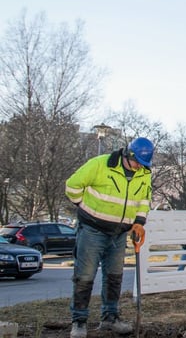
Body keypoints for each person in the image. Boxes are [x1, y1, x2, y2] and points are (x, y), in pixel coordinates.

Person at [65, 137, 155, 338]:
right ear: (128, 155)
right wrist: (85, 208)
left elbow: (144, 199)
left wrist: (139, 222)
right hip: (92, 230)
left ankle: (110, 318)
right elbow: (72, 186)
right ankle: (79, 321)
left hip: (120, 233)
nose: (139, 167)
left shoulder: (144, 173)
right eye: (137, 162)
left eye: (143, 164)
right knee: (85, 276)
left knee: (114, 277)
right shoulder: (100, 164)